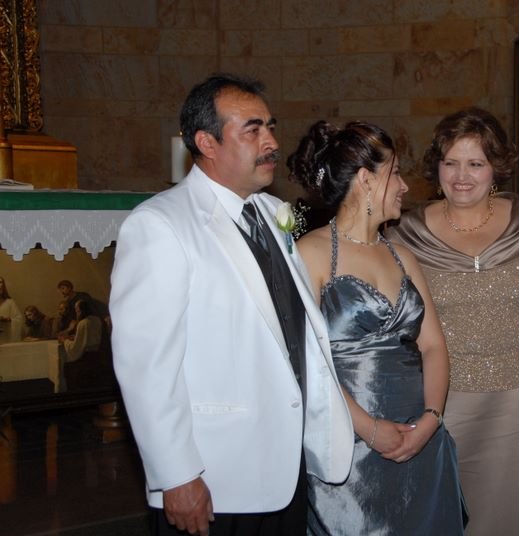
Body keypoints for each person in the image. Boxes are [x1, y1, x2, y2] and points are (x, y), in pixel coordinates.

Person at [110, 73, 353, 536]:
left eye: (270, 127)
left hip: (284, 468)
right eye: (252, 130)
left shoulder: (272, 213)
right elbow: (145, 366)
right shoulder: (161, 225)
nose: (271, 142)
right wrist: (177, 475)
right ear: (207, 142)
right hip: (215, 476)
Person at [388, 107, 519, 535]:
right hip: (447, 409)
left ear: (496, 168)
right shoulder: (408, 235)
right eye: (451, 162)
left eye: (475, 164)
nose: (462, 176)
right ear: (436, 167)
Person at [287, 120, 466, 534]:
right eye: (396, 172)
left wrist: (431, 419)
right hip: (351, 449)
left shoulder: (404, 256)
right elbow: (308, 365)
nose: (404, 186)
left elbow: (434, 346)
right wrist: (367, 429)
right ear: (366, 179)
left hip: (420, 438)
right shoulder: (311, 253)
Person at [60, 299, 104, 390]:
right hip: (98, 357)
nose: (77, 313)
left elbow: (75, 348)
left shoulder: (83, 323)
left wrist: (65, 341)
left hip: (86, 358)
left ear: (83, 310)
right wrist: (75, 337)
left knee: (66, 367)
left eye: (78, 311)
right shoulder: (97, 319)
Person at [0, 276, 23, 344]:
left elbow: (19, 319)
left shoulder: (10, 302)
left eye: (0, 282)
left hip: (7, 336)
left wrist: (8, 320)